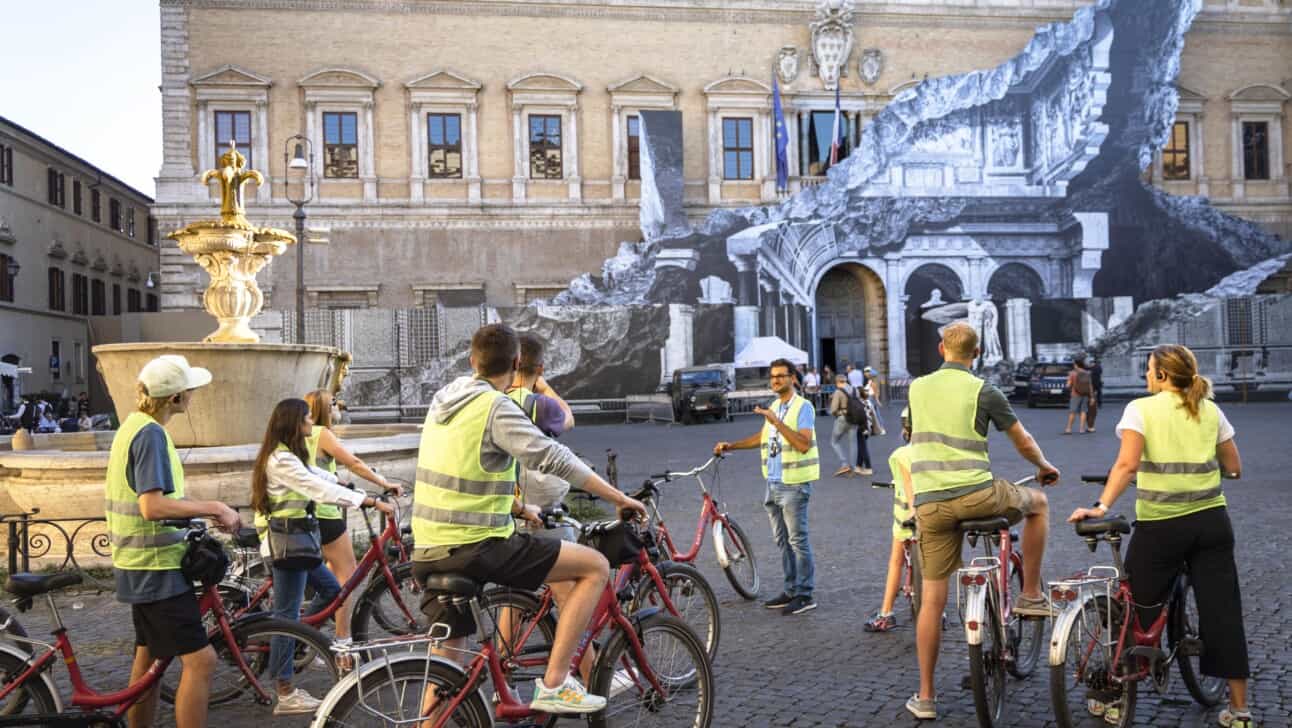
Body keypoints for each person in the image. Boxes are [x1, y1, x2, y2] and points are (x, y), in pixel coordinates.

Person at [413, 324, 647, 714]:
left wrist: (522, 509)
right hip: (478, 546)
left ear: (472, 361)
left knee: (447, 668)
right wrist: (619, 497)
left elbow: (465, 475)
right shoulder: (495, 407)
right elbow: (553, 457)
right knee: (595, 567)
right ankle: (555, 682)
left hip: (428, 549)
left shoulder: (443, 400)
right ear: (518, 363)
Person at [1069, 344, 1253, 728]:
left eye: (1149, 370)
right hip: (1212, 524)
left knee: (1135, 612)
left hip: (1161, 526)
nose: (1146, 376)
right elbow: (1233, 467)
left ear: (1163, 375)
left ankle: (1119, 698)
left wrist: (1101, 506)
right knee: (1223, 613)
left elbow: (1127, 464)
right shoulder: (1210, 409)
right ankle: (1240, 711)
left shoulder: (1141, 409)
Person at [904, 321, 1060, 721]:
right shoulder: (984, 390)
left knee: (931, 601)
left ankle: (924, 695)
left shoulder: (916, 388)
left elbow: (911, 435)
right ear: (977, 354)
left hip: (931, 506)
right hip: (979, 497)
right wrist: (1043, 465)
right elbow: (1022, 440)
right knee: (1038, 503)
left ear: (941, 350)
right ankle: (1028, 594)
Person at [104, 355, 242, 728]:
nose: (194, 395)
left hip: (137, 564)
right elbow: (151, 506)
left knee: (147, 660)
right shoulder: (150, 434)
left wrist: (193, 512)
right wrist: (214, 506)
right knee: (202, 661)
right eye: (190, 390)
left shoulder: (132, 426)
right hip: (157, 569)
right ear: (177, 398)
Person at [250, 397, 395, 715]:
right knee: (286, 616)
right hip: (286, 547)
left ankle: (297, 640)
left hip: (300, 544)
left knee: (333, 592)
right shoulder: (280, 460)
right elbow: (315, 488)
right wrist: (367, 502)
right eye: (305, 419)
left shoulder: (289, 455)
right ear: (293, 423)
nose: (310, 424)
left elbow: (319, 475)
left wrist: (348, 483)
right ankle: (285, 691)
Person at [300, 388, 403, 662]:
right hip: (327, 513)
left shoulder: (303, 433)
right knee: (347, 578)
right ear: (323, 407)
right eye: (333, 403)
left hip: (308, 512)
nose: (339, 406)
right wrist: (384, 483)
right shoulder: (322, 433)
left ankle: (310, 635)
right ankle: (343, 643)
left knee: (331, 576)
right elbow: (354, 463)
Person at [714, 357, 819, 615]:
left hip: (793, 485)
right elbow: (763, 438)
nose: (775, 380)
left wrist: (776, 421)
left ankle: (805, 594)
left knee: (798, 541)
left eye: (781, 376)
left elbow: (802, 444)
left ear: (793, 378)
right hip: (772, 484)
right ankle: (790, 589)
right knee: (782, 541)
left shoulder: (802, 407)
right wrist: (733, 445)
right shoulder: (775, 406)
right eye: (772, 376)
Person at [864, 407, 915, 633]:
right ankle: (938, 612)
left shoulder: (900, 455)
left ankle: (886, 613)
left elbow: (906, 484)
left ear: (906, 429)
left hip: (906, 517)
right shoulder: (938, 452)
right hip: (934, 516)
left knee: (896, 562)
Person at [828, 374, 857, 478]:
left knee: (834, 441)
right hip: (854, 418)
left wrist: (837, 415)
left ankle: (844, 463)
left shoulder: (838, 392)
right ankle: (853, 468)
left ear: (837, 382)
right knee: (853, 443)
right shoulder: (854, 390)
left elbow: (833, 409)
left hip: (843, 418)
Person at [1065, 359, 1092, 435]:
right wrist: (1092, 396)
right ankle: (1082, 429)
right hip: (1085, 394)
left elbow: (1068, 385)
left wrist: (1068, 386)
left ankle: (1069, 429)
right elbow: (1090, 385)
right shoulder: (1087, 373)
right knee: (1083, 411)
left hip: (1075, 394)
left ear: (1076, 365)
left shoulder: (1072, 373)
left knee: (1072, 412)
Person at [854, 384, 874, 477]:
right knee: (861, 446)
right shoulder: (868, 402)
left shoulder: (859, 404)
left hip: (862, 427)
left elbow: (860, 417)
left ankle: (868, 467)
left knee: (863, 447)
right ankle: (858, 466)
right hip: (868, 426)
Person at [1086, 356, 1104, 432]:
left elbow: (1094, 379)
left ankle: (1090, 427)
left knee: (1091, 410)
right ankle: (1099, 403)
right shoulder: (1098, 367)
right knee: (1098, 395)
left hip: (1094, 387)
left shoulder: (1094, 369)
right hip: (1096, 386)